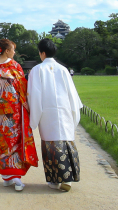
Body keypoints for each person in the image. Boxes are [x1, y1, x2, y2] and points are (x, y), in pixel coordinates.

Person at [0, 38, 38, 191]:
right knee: (6, 141)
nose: (14, 52)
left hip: (8, 111)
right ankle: (10, 176)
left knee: (11, 140)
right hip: (6, 110)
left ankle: (12, 176)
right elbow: (22, 85)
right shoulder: (14, 66)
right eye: (13, 49)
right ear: (6, 50)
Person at [28, 38, 83, 192]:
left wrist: (33, 119)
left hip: (47, 113)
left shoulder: (37, 70)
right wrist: (74, 112)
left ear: (42, 53)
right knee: (66, 142)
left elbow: (34, 95)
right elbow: (72, 93)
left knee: (50, 146)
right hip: (64, 111)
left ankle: (54, 180)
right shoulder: (63, 69)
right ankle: (69, 178)